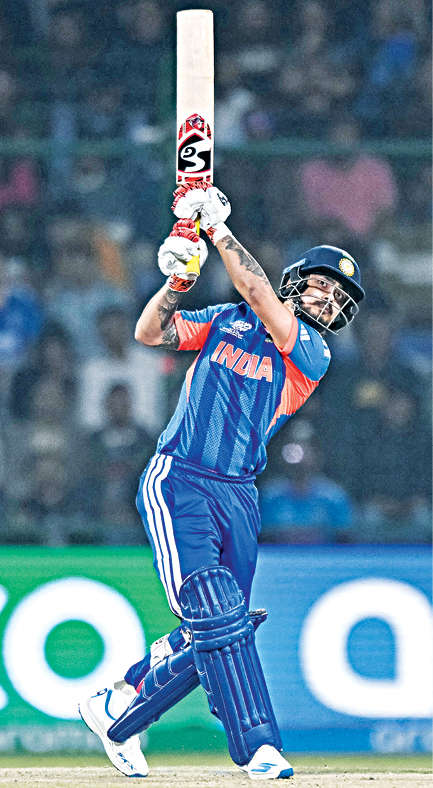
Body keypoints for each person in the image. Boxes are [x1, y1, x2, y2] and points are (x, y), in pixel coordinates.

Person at [78, 182, 365, 779]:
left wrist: (217, 228)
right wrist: (178, 282)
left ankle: (119, 707)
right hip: (180, 478)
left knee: (217, 627)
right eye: (321, 284)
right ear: (296, 281)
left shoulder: (312, 352)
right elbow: (150, 334)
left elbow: (256, 291)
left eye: (338, 295)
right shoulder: (225, 320)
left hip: (239, 494)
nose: (329, 298)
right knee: (215, 611)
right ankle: (259, 747)